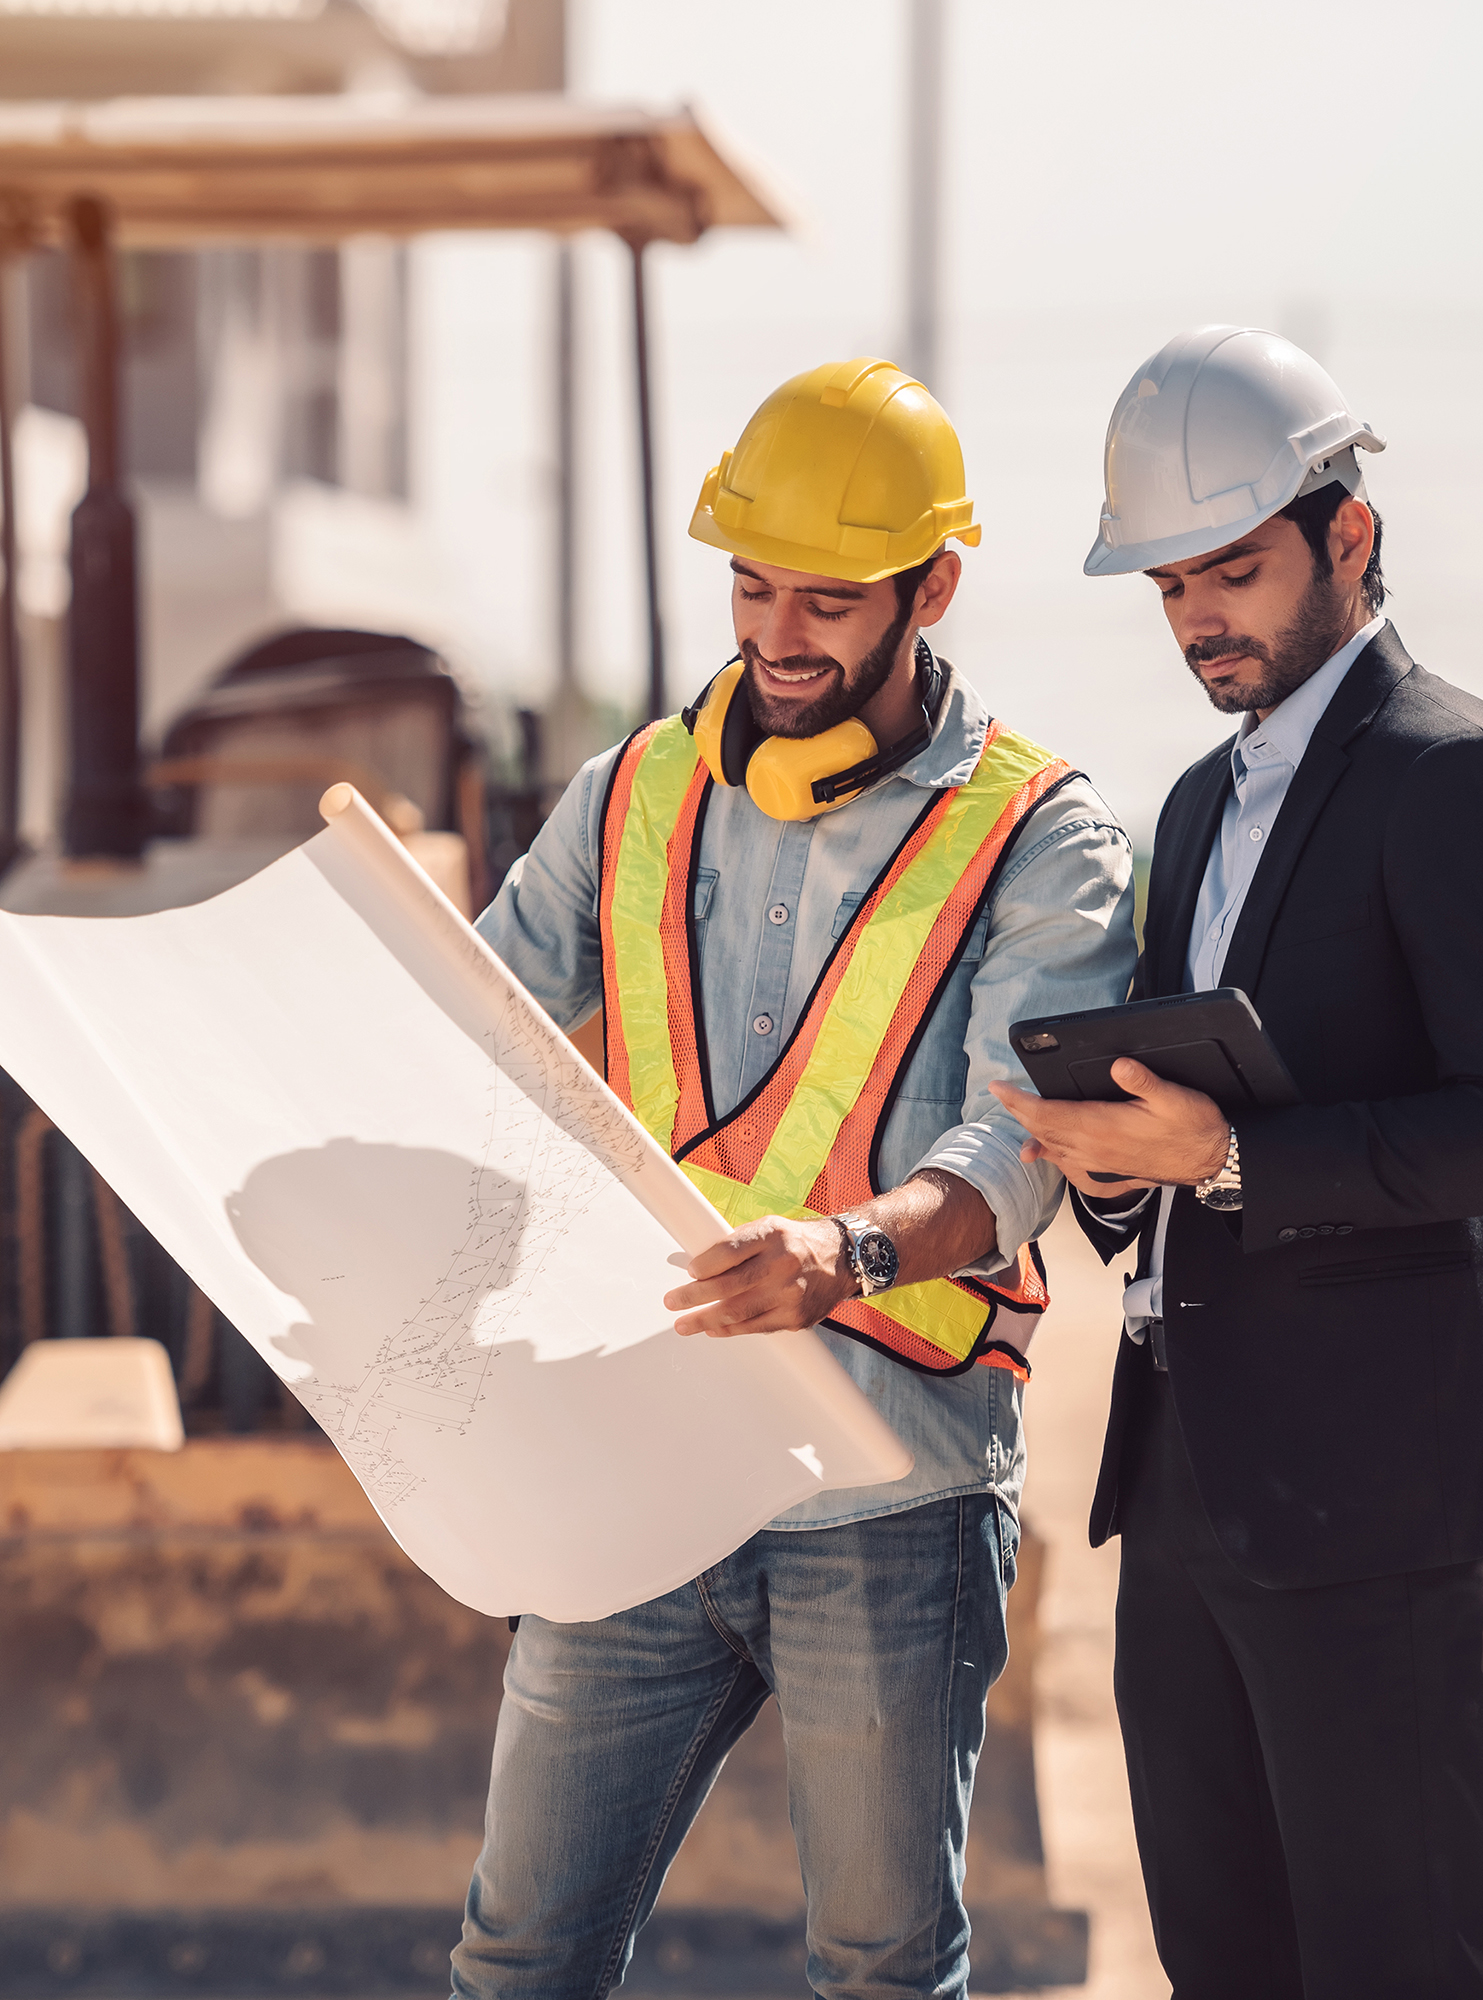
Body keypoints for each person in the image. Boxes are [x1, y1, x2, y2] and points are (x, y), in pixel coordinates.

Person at [451, 357, 1135, 1999]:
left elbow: (1018, 1149)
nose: (776, 634)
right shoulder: (628, 795)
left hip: (888, 1493)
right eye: (753, 587)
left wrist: (845, 1251)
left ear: (934, 588)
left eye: (828, 597)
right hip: (643, 1462)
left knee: (881, 1969)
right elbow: (469, 1027)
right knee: (518, 1957)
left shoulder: (1040, 839)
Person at [992, 324, 1483, 1999]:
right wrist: (1119, 1164)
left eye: (1234, 570)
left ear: (1348, 540)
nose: (1200, 616)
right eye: (1170, 584)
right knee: (1221, 1959)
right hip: (1188, 1487)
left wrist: (1239, 1163)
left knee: (1391, 1960)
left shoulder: (1450, 775)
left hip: (1386, 1515)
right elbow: (1182, 1131)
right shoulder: (1195, 806)